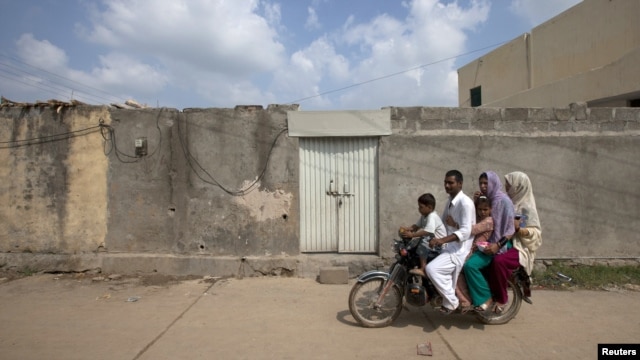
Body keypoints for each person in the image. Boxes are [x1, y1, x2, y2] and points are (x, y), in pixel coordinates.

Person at [463, 171, 515, 313]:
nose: (483, 186)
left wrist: (497, 245)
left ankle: (487, 297)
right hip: (484, 243)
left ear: (494, 183)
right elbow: (475, 220)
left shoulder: (504, 201)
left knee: (470, 266)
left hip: (501, 243)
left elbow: (511, 229)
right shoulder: (486, 200)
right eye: (481, 183)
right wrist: (475, 202)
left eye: (486, 183)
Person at [425, 170, 475, 315]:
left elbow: (466, 231)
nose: (447, 185)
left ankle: (452, 301)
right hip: (449, 245)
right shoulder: (449, 202)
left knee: (432, 269)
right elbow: (441, 223)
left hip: (460, 248)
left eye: (451, 183)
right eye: (445, 182)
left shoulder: (465, 203)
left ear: (460, 183)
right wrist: (421, 230)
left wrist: (441, 240)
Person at [490, 171, 542, 302]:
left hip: (519, 247)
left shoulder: (527, 207)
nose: (506, 187)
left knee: (499, 262)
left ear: (518, 186)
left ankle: (501, 299)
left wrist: (519, 229)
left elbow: (535, 233)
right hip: (504, 240)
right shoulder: (508, 202)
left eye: (509, 184)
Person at [455, 195, 493, 312]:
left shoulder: (488, 221)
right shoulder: (479, 218)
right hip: (472, 250)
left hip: (480, 251)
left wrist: (454, 223)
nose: (482, 212)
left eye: (485, 209)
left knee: (466, 266)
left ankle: (484, 297)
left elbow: (470, 230)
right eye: (480, 209)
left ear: (490, 209)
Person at [399, 193, 447, 278]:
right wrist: (407, 229)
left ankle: (423, 268)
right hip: (432, 243)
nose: (419, 209)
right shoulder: (424, 216)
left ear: (429, 207)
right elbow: (416, 226)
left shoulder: (432, 216)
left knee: (423, 239)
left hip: (438, 245)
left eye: (421, 207)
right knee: (413, 244)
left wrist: (412, 235)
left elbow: (427, 231)